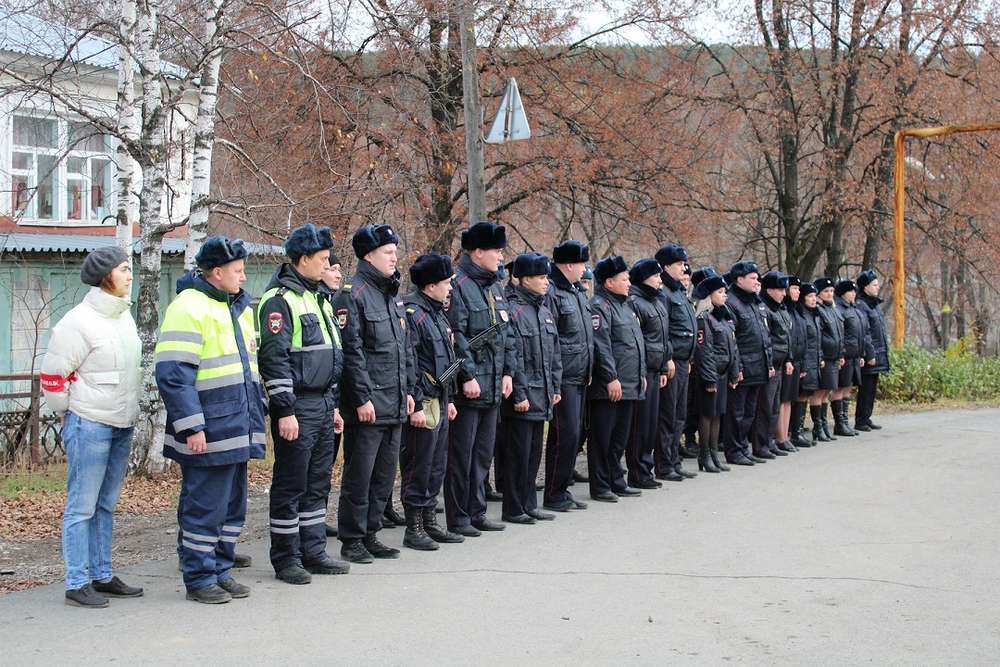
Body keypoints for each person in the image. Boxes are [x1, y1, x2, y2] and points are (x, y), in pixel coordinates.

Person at [155, 236, 267, 604]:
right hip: (208, 429)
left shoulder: (239, 307)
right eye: (237, 271)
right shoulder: (188, 306)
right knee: (204, 506)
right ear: (216, 273)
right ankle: (199, 577)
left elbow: (249, 368)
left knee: (232, 507)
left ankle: (220, 570)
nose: (243, 277)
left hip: (237, 426)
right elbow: (173, 373)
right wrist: (191, 425)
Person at [41, 246, 142, 608]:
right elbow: (53, 378)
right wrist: (71, 413)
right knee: (81, 506)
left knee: (105, 505)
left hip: (121, 422)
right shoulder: (77, 322)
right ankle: (77, 580)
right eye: (124, 269)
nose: (130, 275)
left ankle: (102, 574)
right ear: (105, 276)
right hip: (90, 425)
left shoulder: (123, 318)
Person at [258, 223, 349, 584]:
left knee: (318, 483)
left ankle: (313, 552)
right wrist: (284, 410)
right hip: (298, 406)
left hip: (324, 404)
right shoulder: (279, 300)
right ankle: (286, 558)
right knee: (291, 483)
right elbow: (274, 360)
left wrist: (336, 405)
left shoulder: (317, 297)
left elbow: (332, 356)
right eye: (323, 259)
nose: (328, 265)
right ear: (304, 259)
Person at [333, 224, 415, 562]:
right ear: (368, 255)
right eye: (388, 252)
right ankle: (352, 539)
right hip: (368, 405)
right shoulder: (353, 294)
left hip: (394, 401)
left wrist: (409, 392)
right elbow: (352, 354)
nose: (394, 258)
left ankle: (371, 533)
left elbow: (402, 349)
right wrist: (361, 398)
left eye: (395, 252)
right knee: (360, 476)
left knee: (383, 476)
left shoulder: (390, 295)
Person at [446, 221, 517, 536]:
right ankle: (459, 516)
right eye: (496, 250)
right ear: (477, 252)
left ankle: (476, 511)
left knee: (482, 453)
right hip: (470, 388)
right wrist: (468, 375)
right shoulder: (458, 285)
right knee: (462, 455)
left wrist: (507, 372)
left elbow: (506, 334)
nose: (501, 256)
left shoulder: (494, 286)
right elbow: (456, 336)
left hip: (492, 385)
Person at [399, 254, 464, 549]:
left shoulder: (437, 313)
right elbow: (411, 361)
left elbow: (445, 361)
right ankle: (414, 527)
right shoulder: (413, 313)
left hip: (440, 397)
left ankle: (429, 522)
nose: (451, 288)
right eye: (447, 283)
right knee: (419, 464)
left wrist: (448, 398)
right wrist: (417, 400)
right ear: (431, 284)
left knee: (436, 464)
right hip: (424, 401)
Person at [500, 252, 562, 524]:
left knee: (535, 452)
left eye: (547, 277)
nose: (546, 282)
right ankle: (514, 507)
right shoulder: (514, 311)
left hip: (544, 393)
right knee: (518, 454)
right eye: (540, 277)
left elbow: (554, 354)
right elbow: (514, 358)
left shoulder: (545, 311)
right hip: (524, 397)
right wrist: (520, 394)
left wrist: (555, 387)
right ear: (524, 279)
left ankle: (529, 503)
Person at [588, 256, 646, 502]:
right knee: (603, 437)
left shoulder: (626, 306)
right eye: (624, 279)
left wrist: (641, 374)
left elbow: (635, 343)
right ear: (609, 282)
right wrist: (611, 377)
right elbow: (602, 346)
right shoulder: (600, 306)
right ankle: (600, 485)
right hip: (610, 385)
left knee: (619, 437)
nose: (629, 283)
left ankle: (616, 479)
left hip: (630, 382)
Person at [543, 240, 593, 512]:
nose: (584, 269)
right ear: (570, 264)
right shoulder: (552, 292)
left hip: (580, 374)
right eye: (582, 263)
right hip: (564, 376)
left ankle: (561, 488)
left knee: (571, 437)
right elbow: (551, 339)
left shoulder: (575, 292)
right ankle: (554, 492)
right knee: (565, 435)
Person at [625, 259, 671, 489]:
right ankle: (637, 472)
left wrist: (663, 366)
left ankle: (646, 468)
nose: (660, 280)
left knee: (651, 424)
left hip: (656, 371)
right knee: (640, 426)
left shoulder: (657, 302)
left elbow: (663, 338)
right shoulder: (635, 302)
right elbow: (638, 343)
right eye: (656, 276)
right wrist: (642, 372)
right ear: (644, 278)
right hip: (642, 373)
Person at [723, 261, 773, 466]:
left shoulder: (755, 302)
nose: (756, 282)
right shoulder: (732, 303)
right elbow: (732, 341)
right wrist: (738, 368)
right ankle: (733, 450)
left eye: (757, 278)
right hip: (743, 367)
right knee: (737, 412)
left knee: (750, 412)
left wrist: (768, 363)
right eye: (752, 278)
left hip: (758, 366)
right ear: (739, 279)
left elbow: (764, 336)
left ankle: (743, 447)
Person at [654, 244, 698, 482]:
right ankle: (663, 463)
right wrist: (668, 357)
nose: (684, 268)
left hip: (683, 361)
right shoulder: (664, 293)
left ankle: (673, 460)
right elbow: (665, 330)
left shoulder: (679, 292)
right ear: (666, 266)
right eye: (679, 264)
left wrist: (689, 358)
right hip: (672, 361)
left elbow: (688, 328)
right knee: (668, 414)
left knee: (679, 413)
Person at [691, 269, 738, 473]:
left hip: (723, 373)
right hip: (709, 375)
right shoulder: (704, 318)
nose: (724, 295)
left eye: (724, 292)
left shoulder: (724, 318)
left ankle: (713, 455)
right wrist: (710, 378)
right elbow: (704, 351)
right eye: (720, 292)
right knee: (707, 415)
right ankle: (705, 455)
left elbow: (733, 347)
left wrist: (734, 371)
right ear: (709, 296)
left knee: (718, 414)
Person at [755, 271, 794, 457]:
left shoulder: (781, 308)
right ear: (769, 290)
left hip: (780, 362)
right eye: (780, 290)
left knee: (774, 405)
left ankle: (770, 440)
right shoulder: (764, 308)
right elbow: (766, 340)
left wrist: (788, 359)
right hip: (769, 364)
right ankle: (761, 443)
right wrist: (770, 363)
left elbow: (787, 336)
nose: (783, 294)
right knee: (765, 405)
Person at [321, 250, 345, 539]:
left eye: (339, 268)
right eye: (331, 268)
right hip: (316, 401)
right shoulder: (331, 303)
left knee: (327, 463)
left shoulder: (328, 304)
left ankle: (318, 516)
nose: (337, 273)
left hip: (334, 400)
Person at [832, 279, 869, 437]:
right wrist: (841, 354)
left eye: (854, 291)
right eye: (850, 291)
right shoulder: (840, 309)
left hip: (855, 355)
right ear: (842, 293)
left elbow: (861, 334)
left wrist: (861, 354)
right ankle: (839, 424)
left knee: (848, 387)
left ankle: (845, 421)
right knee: (840, 387)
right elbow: (840, 335)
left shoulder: (854, 309)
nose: (854, 293)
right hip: (845, 355)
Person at [854, 270, 890, 431]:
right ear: (865, 287)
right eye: (874, 285)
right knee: (866, 387)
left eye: (877, 284)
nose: (877, 287)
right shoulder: (862, 305)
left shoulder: (873, 304)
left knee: (871, 387)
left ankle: (866, 417)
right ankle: (861, 419)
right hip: (870, 353)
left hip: (878, 352)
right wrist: (870, 353)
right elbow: (865, 332)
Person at [814, 277, 845, 441]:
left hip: (834, 356)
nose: (829, 294)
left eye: (831, 291)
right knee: (819, 392)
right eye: (826, 291)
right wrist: (820, 356)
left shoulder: (833, 309)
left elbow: (840, 334)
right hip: (825, 356)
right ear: (818, 294)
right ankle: (818, 427)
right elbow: (818, 336)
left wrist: (841, 354)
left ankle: (824, 425)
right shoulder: (818, 310)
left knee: (827, 391)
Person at [784, 277, 813, 449]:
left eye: (798, 289)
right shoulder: (786, 310)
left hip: (799, 361)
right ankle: (785, 434)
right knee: (787, 399)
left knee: (797, 397)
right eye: (794, 288)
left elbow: (803, 338)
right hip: (789, 361)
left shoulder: (797, 310)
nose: (797, 292)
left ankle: (796, 432)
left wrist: (802, 362)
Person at [798, 282, 829, 443]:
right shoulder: (802, 315)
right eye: (809, 296)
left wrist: (821, 356)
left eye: (814, 296)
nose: (813, 299)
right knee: (803, 395)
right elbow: (803, 341)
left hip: (815, 360)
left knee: (810, 393)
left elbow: (818, 340)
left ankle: (817, 427)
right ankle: (797, 430)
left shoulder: (814, 314)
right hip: (806, 361)